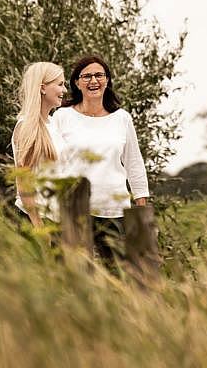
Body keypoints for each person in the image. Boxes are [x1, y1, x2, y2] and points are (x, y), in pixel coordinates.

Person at [51, 55, 149, 263]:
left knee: (118, 275)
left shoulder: (122, 118)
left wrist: (141, 203)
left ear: (107, 80)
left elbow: (134, 163)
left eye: (99, 75)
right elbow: (52, 163)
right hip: (73, 209)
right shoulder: (62, 116)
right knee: (71, 275)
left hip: (114, 209)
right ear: (77, 83)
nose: (93, 81)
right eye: (86, 76)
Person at [12, 62, 68, 227]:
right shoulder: (26, 127)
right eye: (60, 84)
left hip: (56, 221)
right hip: (35, 221)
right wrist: (38, 226)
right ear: (43, 88)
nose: (64, 90)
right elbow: (24, 182)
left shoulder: (52, 125)